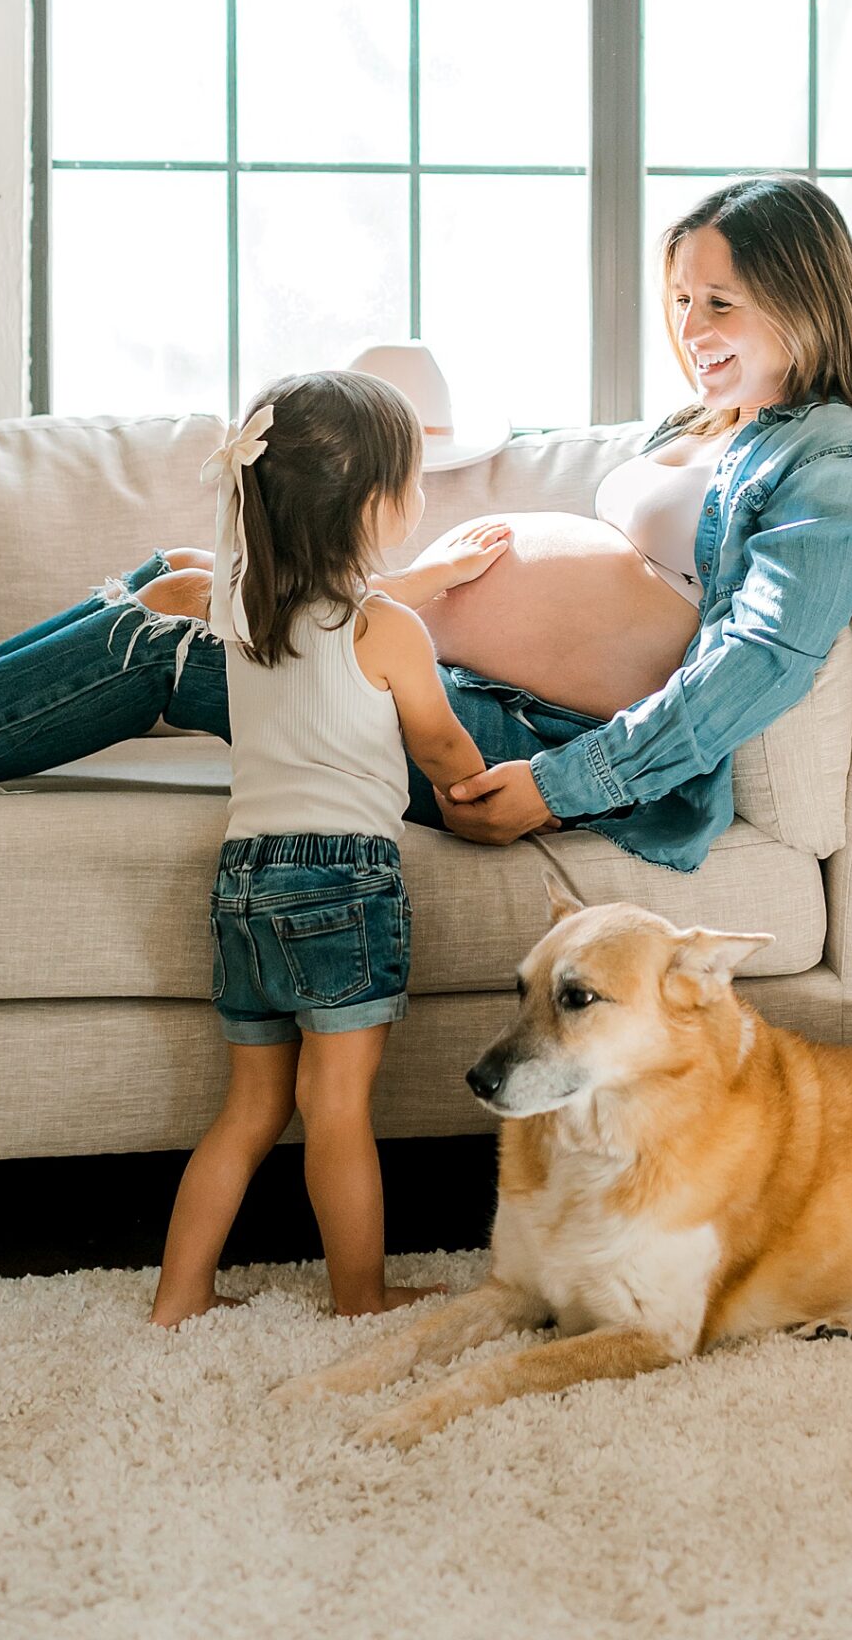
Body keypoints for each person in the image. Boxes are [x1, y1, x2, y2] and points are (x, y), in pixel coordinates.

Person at [0, 176, 852, 873]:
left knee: (174, 636)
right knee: (176, 574)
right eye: (680, 299)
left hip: (533, 747)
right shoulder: (717, 419)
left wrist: (558, 789)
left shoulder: (835, 458)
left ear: (806, 299)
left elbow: (754, 663)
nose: (693, 326)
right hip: (463, 688)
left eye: (722, 302)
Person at [150, 367, 505, 1328]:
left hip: (242, 882)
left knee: (251, 1109)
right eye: (416, 482)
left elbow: (171, 586)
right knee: (338, 1108)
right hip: (344, 881)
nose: (423, 499)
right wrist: (475, 780)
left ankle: (178, 1296)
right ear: (378, 506)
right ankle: (360, 1294)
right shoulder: (384, 628)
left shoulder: (238, 608)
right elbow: (437, 745)